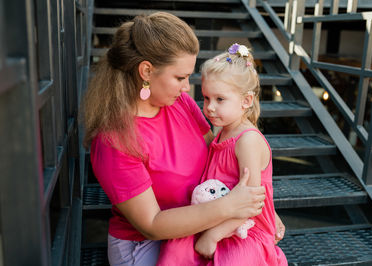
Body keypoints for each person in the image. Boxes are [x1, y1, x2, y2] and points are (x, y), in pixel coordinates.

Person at [82, 12, 283, 266]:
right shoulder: (114, 141)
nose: (188, 87)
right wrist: (231, 208)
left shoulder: (180, 103)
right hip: (145, 245)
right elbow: (152, 225)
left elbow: (220, 160)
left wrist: (262, 209)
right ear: (146, 71)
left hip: (201, 228)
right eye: (180, 77)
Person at [157, 44, 287, 266]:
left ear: (246, 101)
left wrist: (212, 236)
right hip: (218, 217)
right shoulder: (221, 133)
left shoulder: (247, 141)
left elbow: (251, 205)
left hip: (245, 228)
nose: (209, 108)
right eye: (207, 98)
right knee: (175, 250)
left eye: (220, 100)